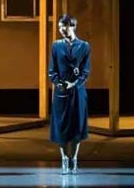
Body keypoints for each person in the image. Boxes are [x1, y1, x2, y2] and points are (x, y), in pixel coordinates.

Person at [48, 14, 91, 174]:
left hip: (78, 91)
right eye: (59, 27)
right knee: (61, 126)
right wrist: (59, 83)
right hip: (61, 91)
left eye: (64, 26)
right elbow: (52, 70)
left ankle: (74, 158)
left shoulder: (84, 46)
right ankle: (64, 159)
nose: (61, 30)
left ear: (72, 26)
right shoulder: (56, 46)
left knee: (77, 125)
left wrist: (74, 83)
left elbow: (85, 71)